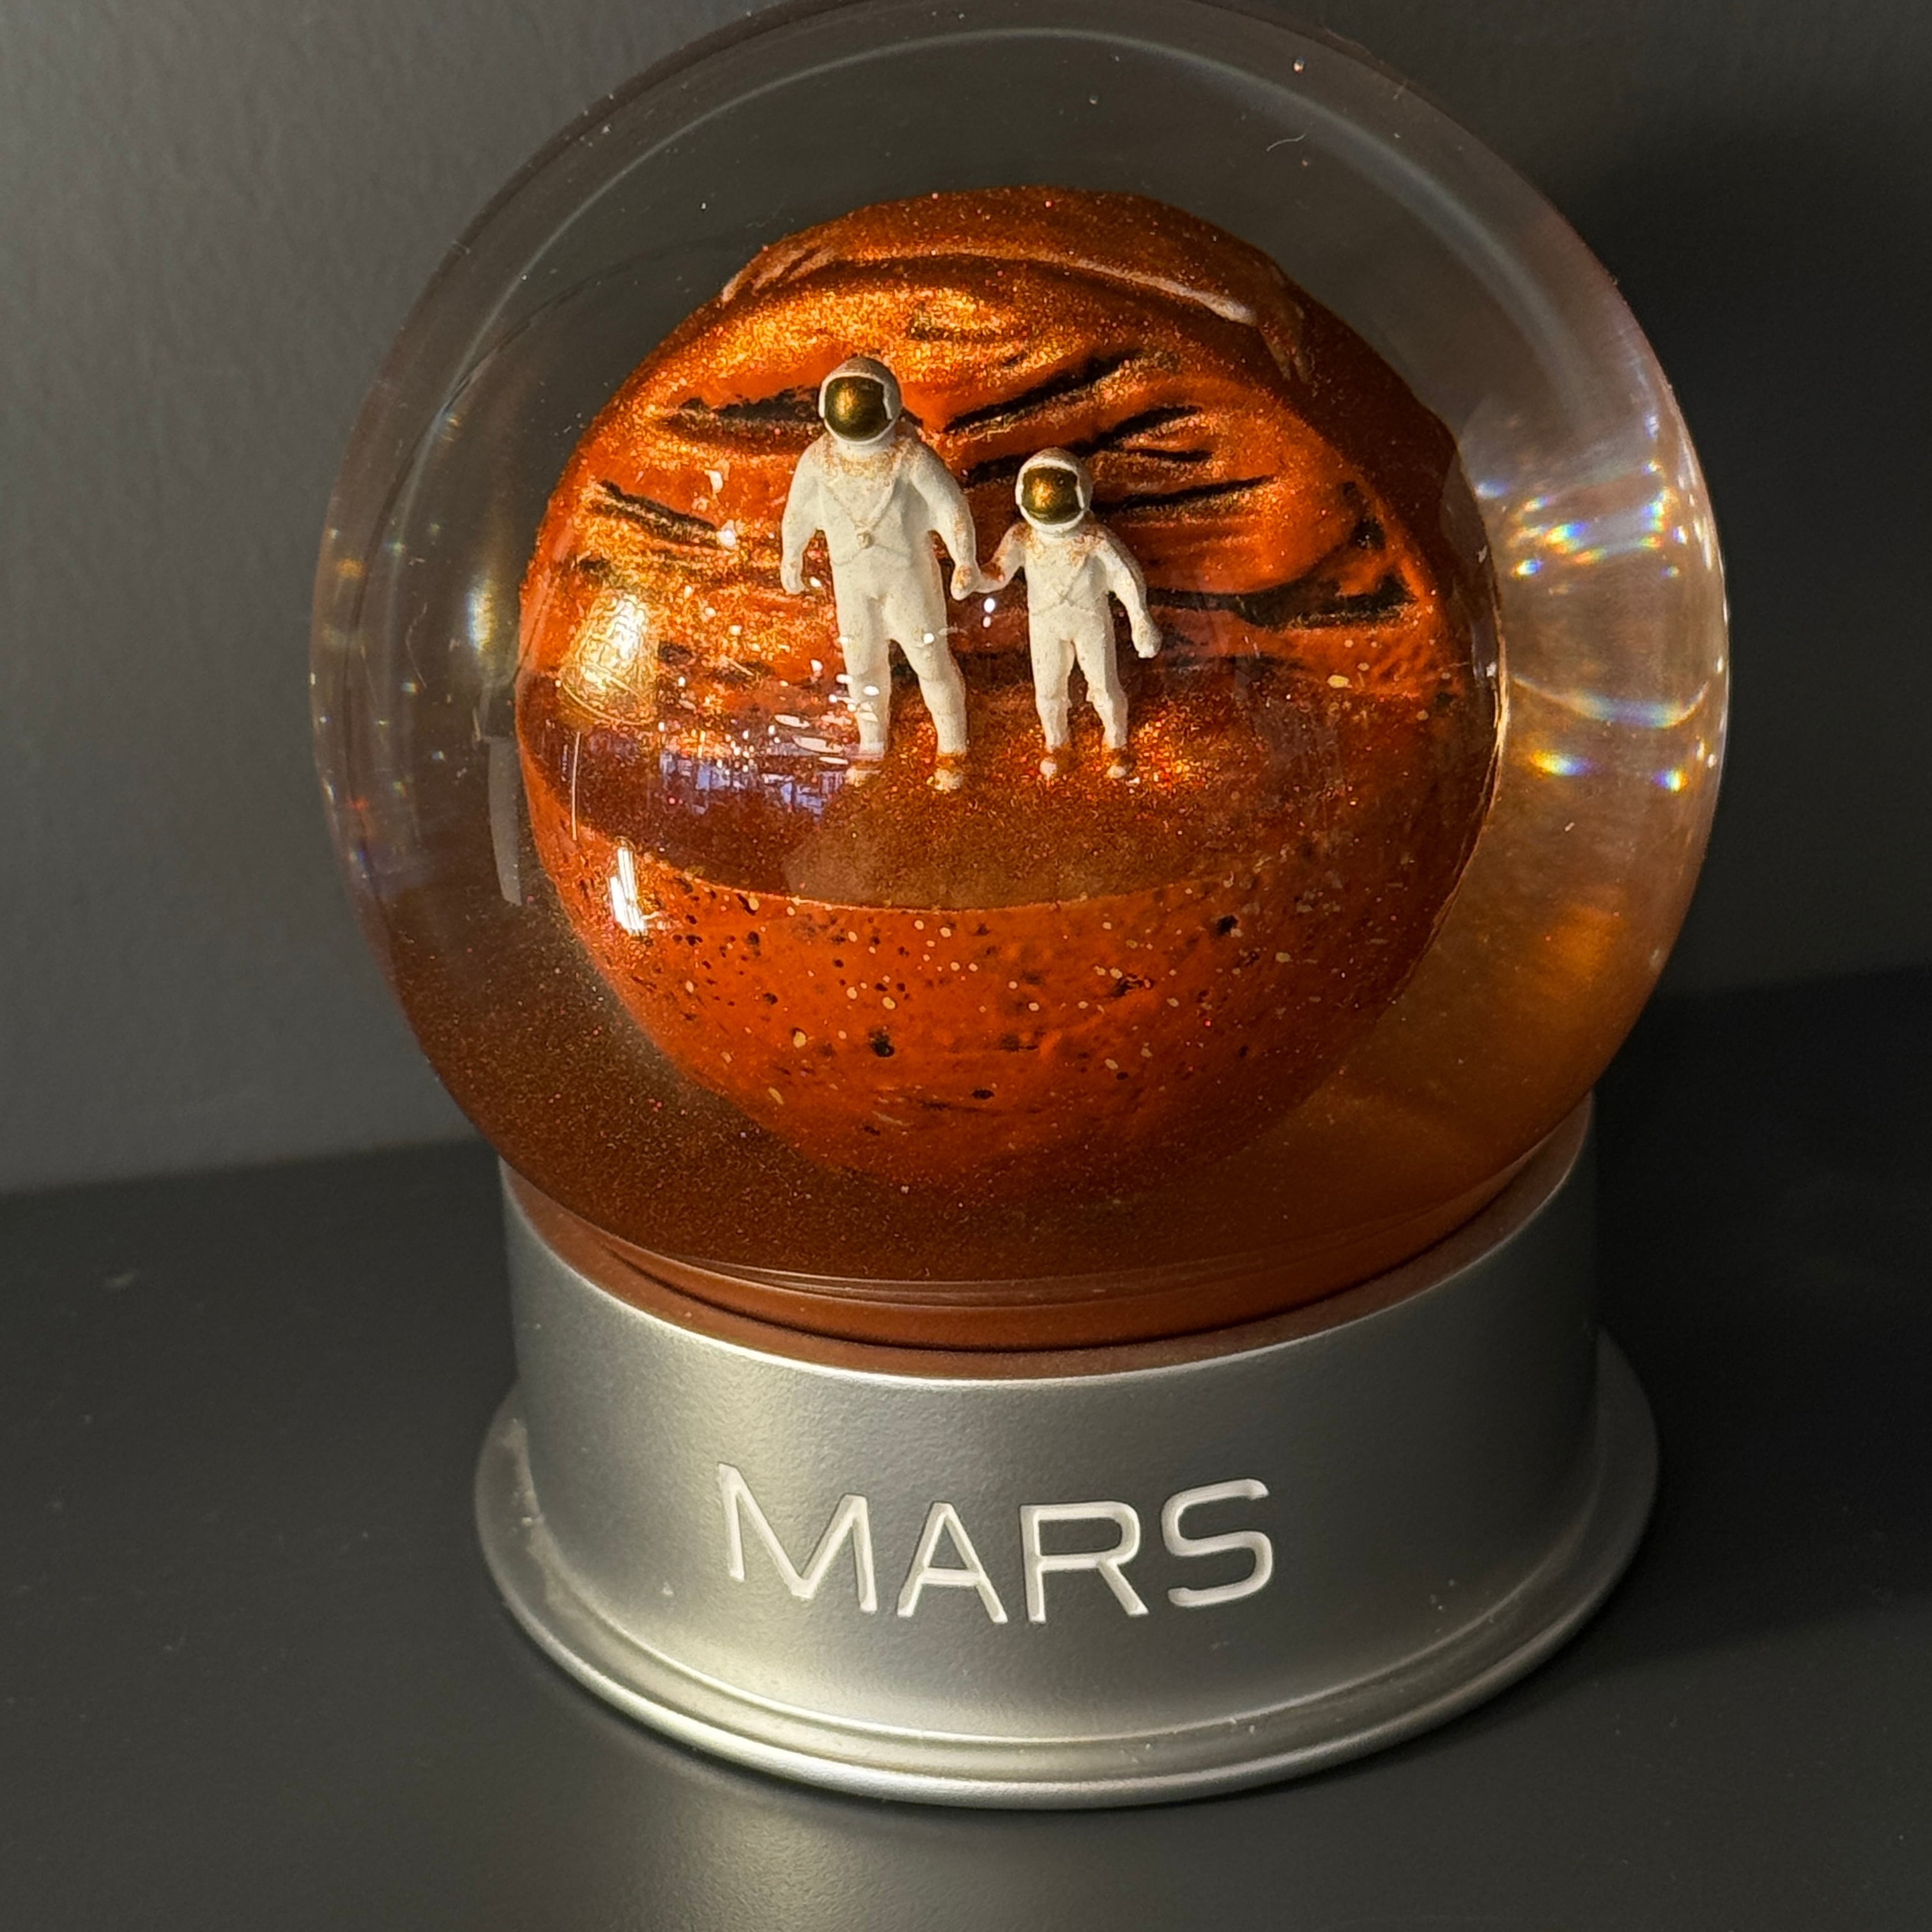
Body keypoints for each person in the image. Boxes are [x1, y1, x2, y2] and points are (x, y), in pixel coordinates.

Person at [779, 356, 981, 789]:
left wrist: (964, 560)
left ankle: (952, 746)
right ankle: (872, 742)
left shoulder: (910, 458)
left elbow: (950, 508)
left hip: (907, 581)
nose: (855, 412)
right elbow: (797, 512)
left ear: (890, 404)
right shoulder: (818, 460)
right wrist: (791, 556)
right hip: (852, 584)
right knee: (862, 667)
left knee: (931, 662)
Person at [985, 448, 1161, 780]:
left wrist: (1140, 619)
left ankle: (1116, 741)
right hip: (1045, 624)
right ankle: (1056, 743)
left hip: (1089, 621)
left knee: (1104, 685)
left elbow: (1126, 577)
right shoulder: (1022, 536)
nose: (1051, 513)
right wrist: (971, 577)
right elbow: (998, 573)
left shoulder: (1095, 540)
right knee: (1048, 689)